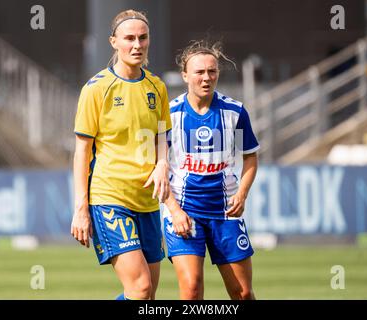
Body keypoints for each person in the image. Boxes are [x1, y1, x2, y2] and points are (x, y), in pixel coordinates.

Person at [70, 9, 171, 300]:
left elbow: (162, 137)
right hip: (110, 198)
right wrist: (81, 208)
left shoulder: (157, 87)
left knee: (147, 294)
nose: (137, 44)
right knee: (139, 289)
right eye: (129, 38)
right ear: (114, 41)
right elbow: (82, 151)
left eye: (143, 38)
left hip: (147, 202)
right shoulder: (96, 89)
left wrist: (162, 164)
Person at [163, 40, 259, 300]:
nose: (206, 78)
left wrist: (242, 194)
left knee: (243, 293)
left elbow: (250, 158)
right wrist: (174, 211)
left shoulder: (235, 112)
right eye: (199, 72)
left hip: (225, 212)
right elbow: (156, 170)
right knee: (192, 290)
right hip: (184, 211)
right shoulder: (168, 115)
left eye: (212, 71)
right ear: (185, 75)